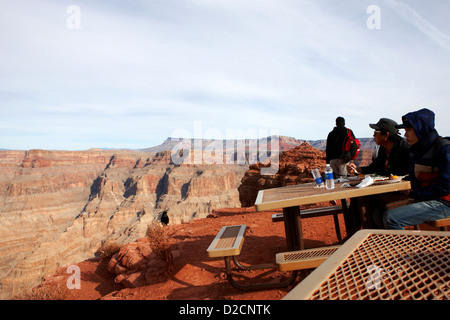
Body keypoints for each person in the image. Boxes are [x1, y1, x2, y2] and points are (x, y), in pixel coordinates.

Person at [382, 108, 449, 230]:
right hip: (427, 198)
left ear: (421, 130)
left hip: (445, 202)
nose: (405, 135)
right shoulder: (417, 150)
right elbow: (413, 177)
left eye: (408, 130)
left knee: (391, 218)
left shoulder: (444, 149)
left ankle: (406, 249)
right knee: (379, 210)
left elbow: (445, 187)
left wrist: (414, 193)